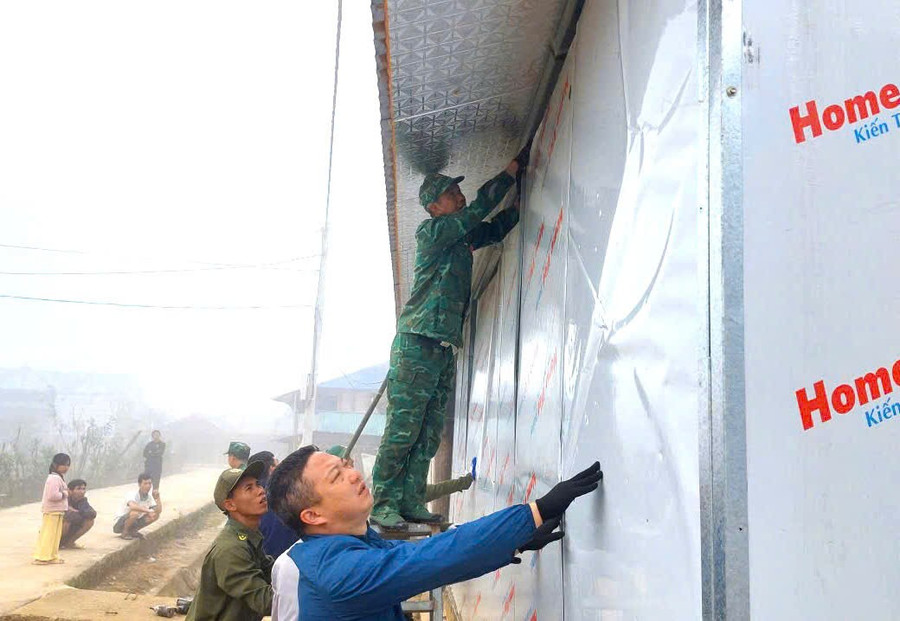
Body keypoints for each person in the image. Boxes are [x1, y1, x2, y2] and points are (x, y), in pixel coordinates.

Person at [370, 153, 527, 529]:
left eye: (458, 190)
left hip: (441, 348)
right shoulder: (432, 232)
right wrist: (508, 174)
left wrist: (522, 203)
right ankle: (384, 501)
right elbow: (475, 214)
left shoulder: (459, 237)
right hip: (417, 343)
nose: (459, 195)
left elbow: (492, 229)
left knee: (427, 434)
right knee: (404, 430)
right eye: (450, 193)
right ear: (433, 207)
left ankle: (410, 500)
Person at [267, 445, 601, 620]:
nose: (354, 475)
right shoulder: (334, 573)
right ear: (313, 515)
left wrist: (517, 539)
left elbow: (428, 552)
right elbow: (432, 559)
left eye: (346, 465)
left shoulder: (345, 545)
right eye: (336, 477)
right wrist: (534, 512)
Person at [186, 461, 273, 621]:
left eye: (258, 484)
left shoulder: (248, 537)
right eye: (249, 488)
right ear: (230, 504)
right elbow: (265, 601)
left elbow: (273, 573)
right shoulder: (231, 549)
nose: (261, 490)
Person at [326, 445, 473, 505]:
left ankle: (465, 482)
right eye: (348, 459)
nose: (353, 461)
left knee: (433, 491)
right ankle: (465, 482)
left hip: (399, 499)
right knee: (432, 492)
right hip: (396, 503)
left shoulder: (355, 476)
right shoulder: (347, 488)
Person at [249, 451, 297, 558]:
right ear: (271, 469)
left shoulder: (246, 497)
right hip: (291, 558)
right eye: (277, 465)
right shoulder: (290, 492)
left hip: (261, 559)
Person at [33, 453, 71, 565]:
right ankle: (42, 557)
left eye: (68, 465)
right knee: (48, 535)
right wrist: (65, 493)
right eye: (64, 464)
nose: (66, 467)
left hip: (58, 511)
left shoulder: (58, 477)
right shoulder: (54, 478)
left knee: (55, 536)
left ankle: (51, 556)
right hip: (52, 511)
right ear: (56, 465)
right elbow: (52, 495)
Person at [113, 473, 160, 540]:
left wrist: (158, 498)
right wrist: (148, 511)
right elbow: (133, 506)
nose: (148, 486)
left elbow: (158, 511)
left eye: (149, 483)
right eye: (145, 483)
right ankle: (124, 532)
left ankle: (133, 531)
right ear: (139, 485)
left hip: (135, 521)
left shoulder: (149, 497)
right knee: (135, 513)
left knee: (155, 515)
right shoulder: (131, 494)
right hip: (120, 524)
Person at [60, 479, 96, 549]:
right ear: (70, 490)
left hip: (73, 524)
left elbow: (92, 513)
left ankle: (69, 543)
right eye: (78, 489)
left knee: (90, 521)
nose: (82, 492)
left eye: (83, 489)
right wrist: (77, 512)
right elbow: (68, 514)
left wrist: (79, 512)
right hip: (55, 529)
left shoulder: (82, 500)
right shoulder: (63, 497)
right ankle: (55, 543)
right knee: (67, 518)